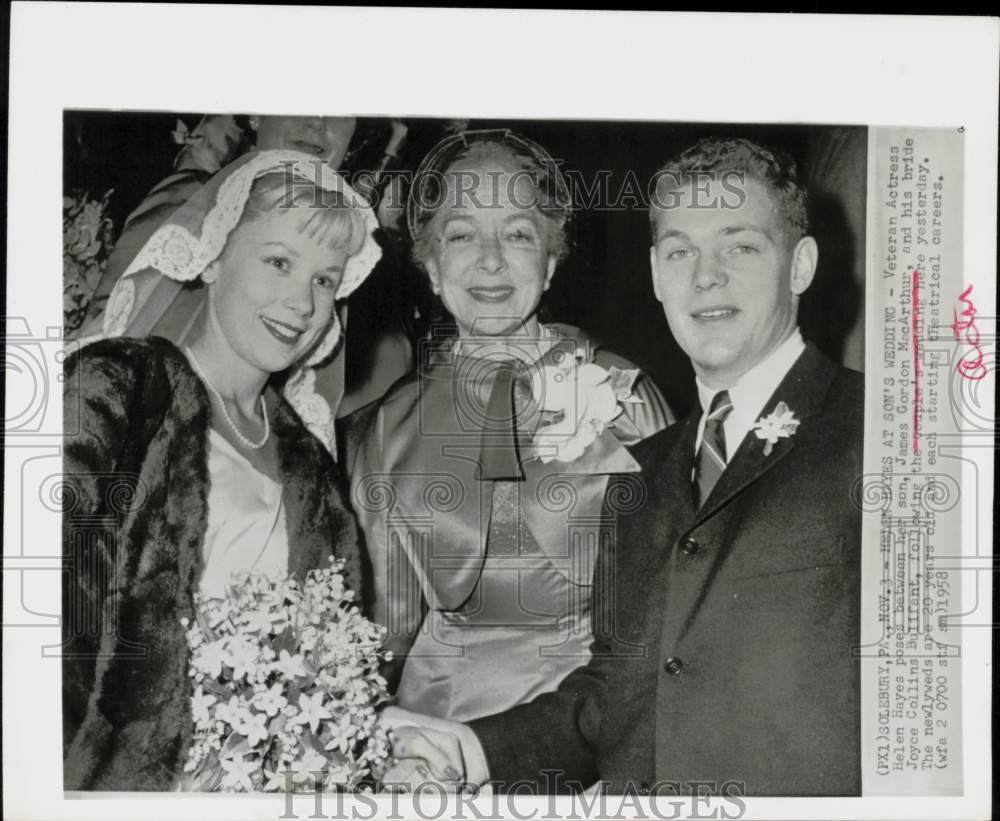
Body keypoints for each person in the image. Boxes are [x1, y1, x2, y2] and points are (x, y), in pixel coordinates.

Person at [383, 137, 865, 796]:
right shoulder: (660, 462)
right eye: (679, 252)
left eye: (740, 246)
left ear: (801, 264)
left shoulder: (880, 433)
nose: (706, 276)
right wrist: (471, 748)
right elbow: (623, 683)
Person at [61, 150, 382, 790]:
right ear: (210, 257)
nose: (302, 301)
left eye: (325, 279)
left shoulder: (312, 466)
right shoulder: (116, 389)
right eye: (279, 262)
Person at [343, 130, 673, 729]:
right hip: (437, 734)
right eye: (462, 234)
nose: (490, 259)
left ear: (550, 263)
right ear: (431, 267)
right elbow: (383, 635)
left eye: (518, 234)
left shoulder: (624, 393)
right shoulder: (387, 430)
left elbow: (669, 610)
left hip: (595, 729)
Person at [81, 115, 358, 329]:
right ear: (255, 115)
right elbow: (109, 319)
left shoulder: (347, 246)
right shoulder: (192, 199)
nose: (317, 122)